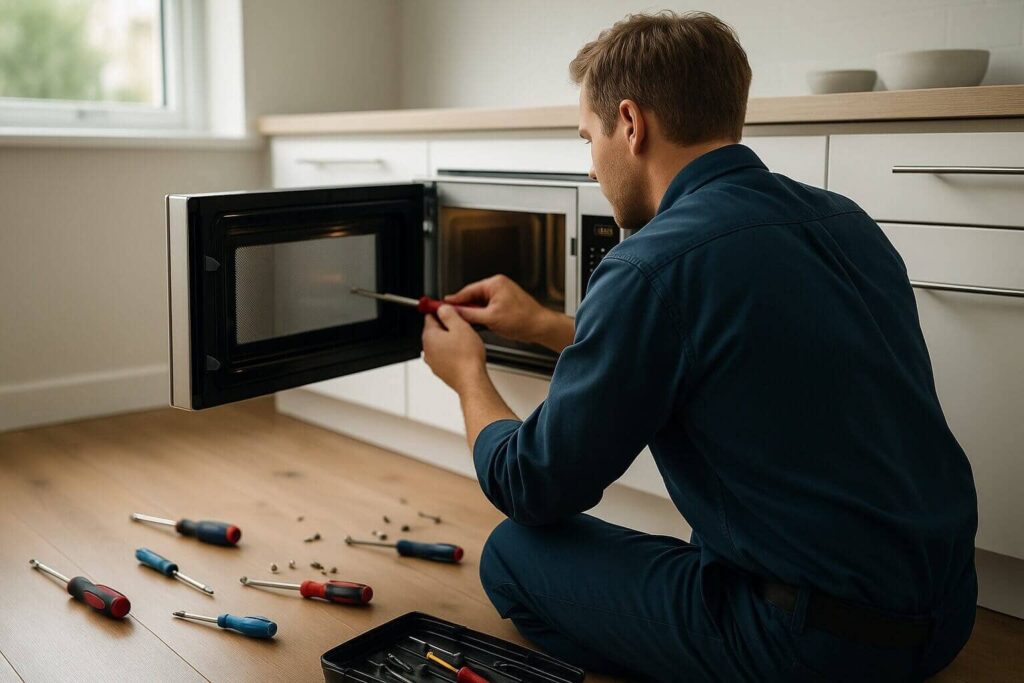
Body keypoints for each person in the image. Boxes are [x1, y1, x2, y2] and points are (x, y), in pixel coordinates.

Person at [419, 11, 978, 682]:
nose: (591, 167)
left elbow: (531, 484)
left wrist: (469, 375)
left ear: (630, 123)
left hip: (814, 649)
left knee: (512, 553)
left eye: (588, 138)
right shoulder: (846, 219)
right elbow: (721, 348)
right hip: (948, 616)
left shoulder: (648, 263)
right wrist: (546, 324)